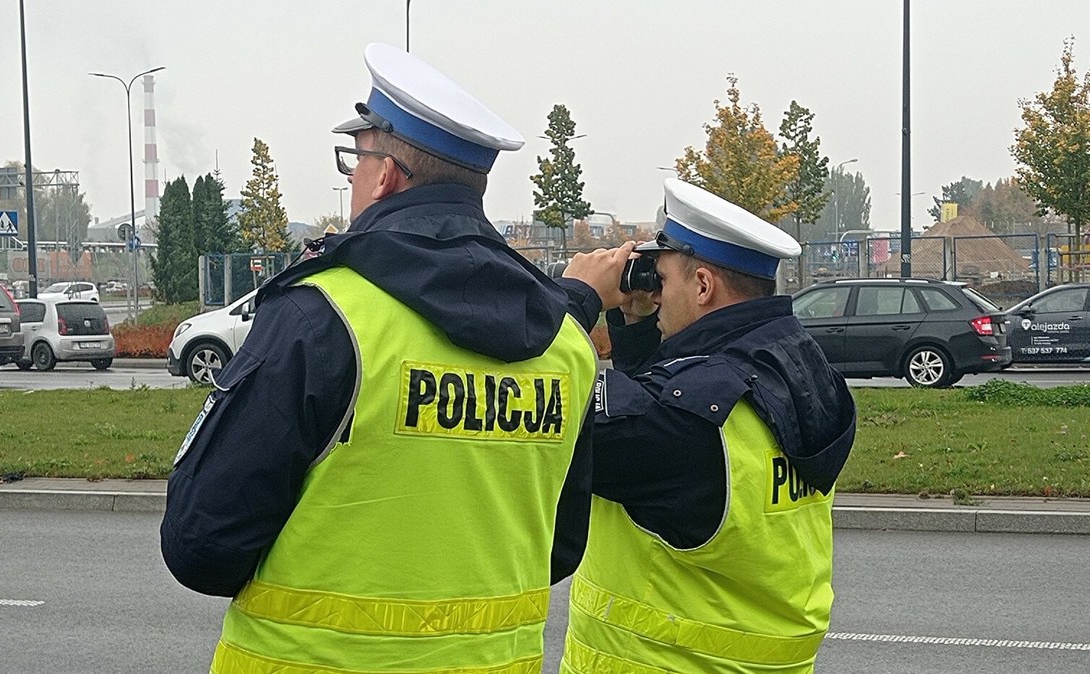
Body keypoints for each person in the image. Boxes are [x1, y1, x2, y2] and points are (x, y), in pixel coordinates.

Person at [161, 42, 599, 673]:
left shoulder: (323, 316)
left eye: (355, 161)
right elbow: (559, 550)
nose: (351, 180)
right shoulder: (565, 343)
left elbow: (200, 544)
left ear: (387, 173)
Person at [556, 178, 857, 674]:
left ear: (702, 285)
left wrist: (575, 298)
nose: (657, 294)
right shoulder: (805, 374)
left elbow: (547, 417)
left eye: (665, 280)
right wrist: (634, 332)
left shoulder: (685, 418)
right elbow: (663, 450)